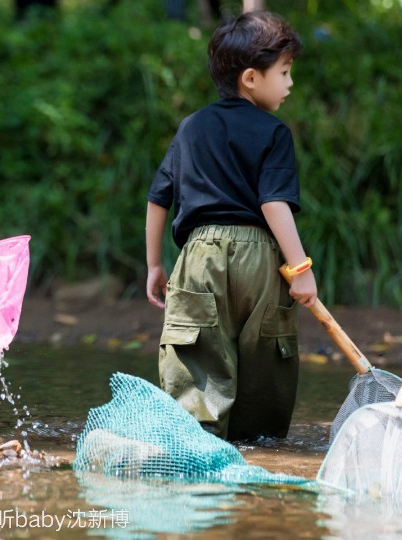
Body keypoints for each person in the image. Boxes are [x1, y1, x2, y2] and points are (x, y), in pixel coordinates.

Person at [145, 11, 316, 441]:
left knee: (198, 357)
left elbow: (157, 199)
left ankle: (198, 445)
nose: (290, 84)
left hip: (199, 256)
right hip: (260, 257)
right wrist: (300, 268)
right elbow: (274, 203)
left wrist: (153, 265)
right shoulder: (274, 132)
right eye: (284, 72)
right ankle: (256, 447)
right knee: (264, 359)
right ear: (251, 78)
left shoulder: (190, 128)